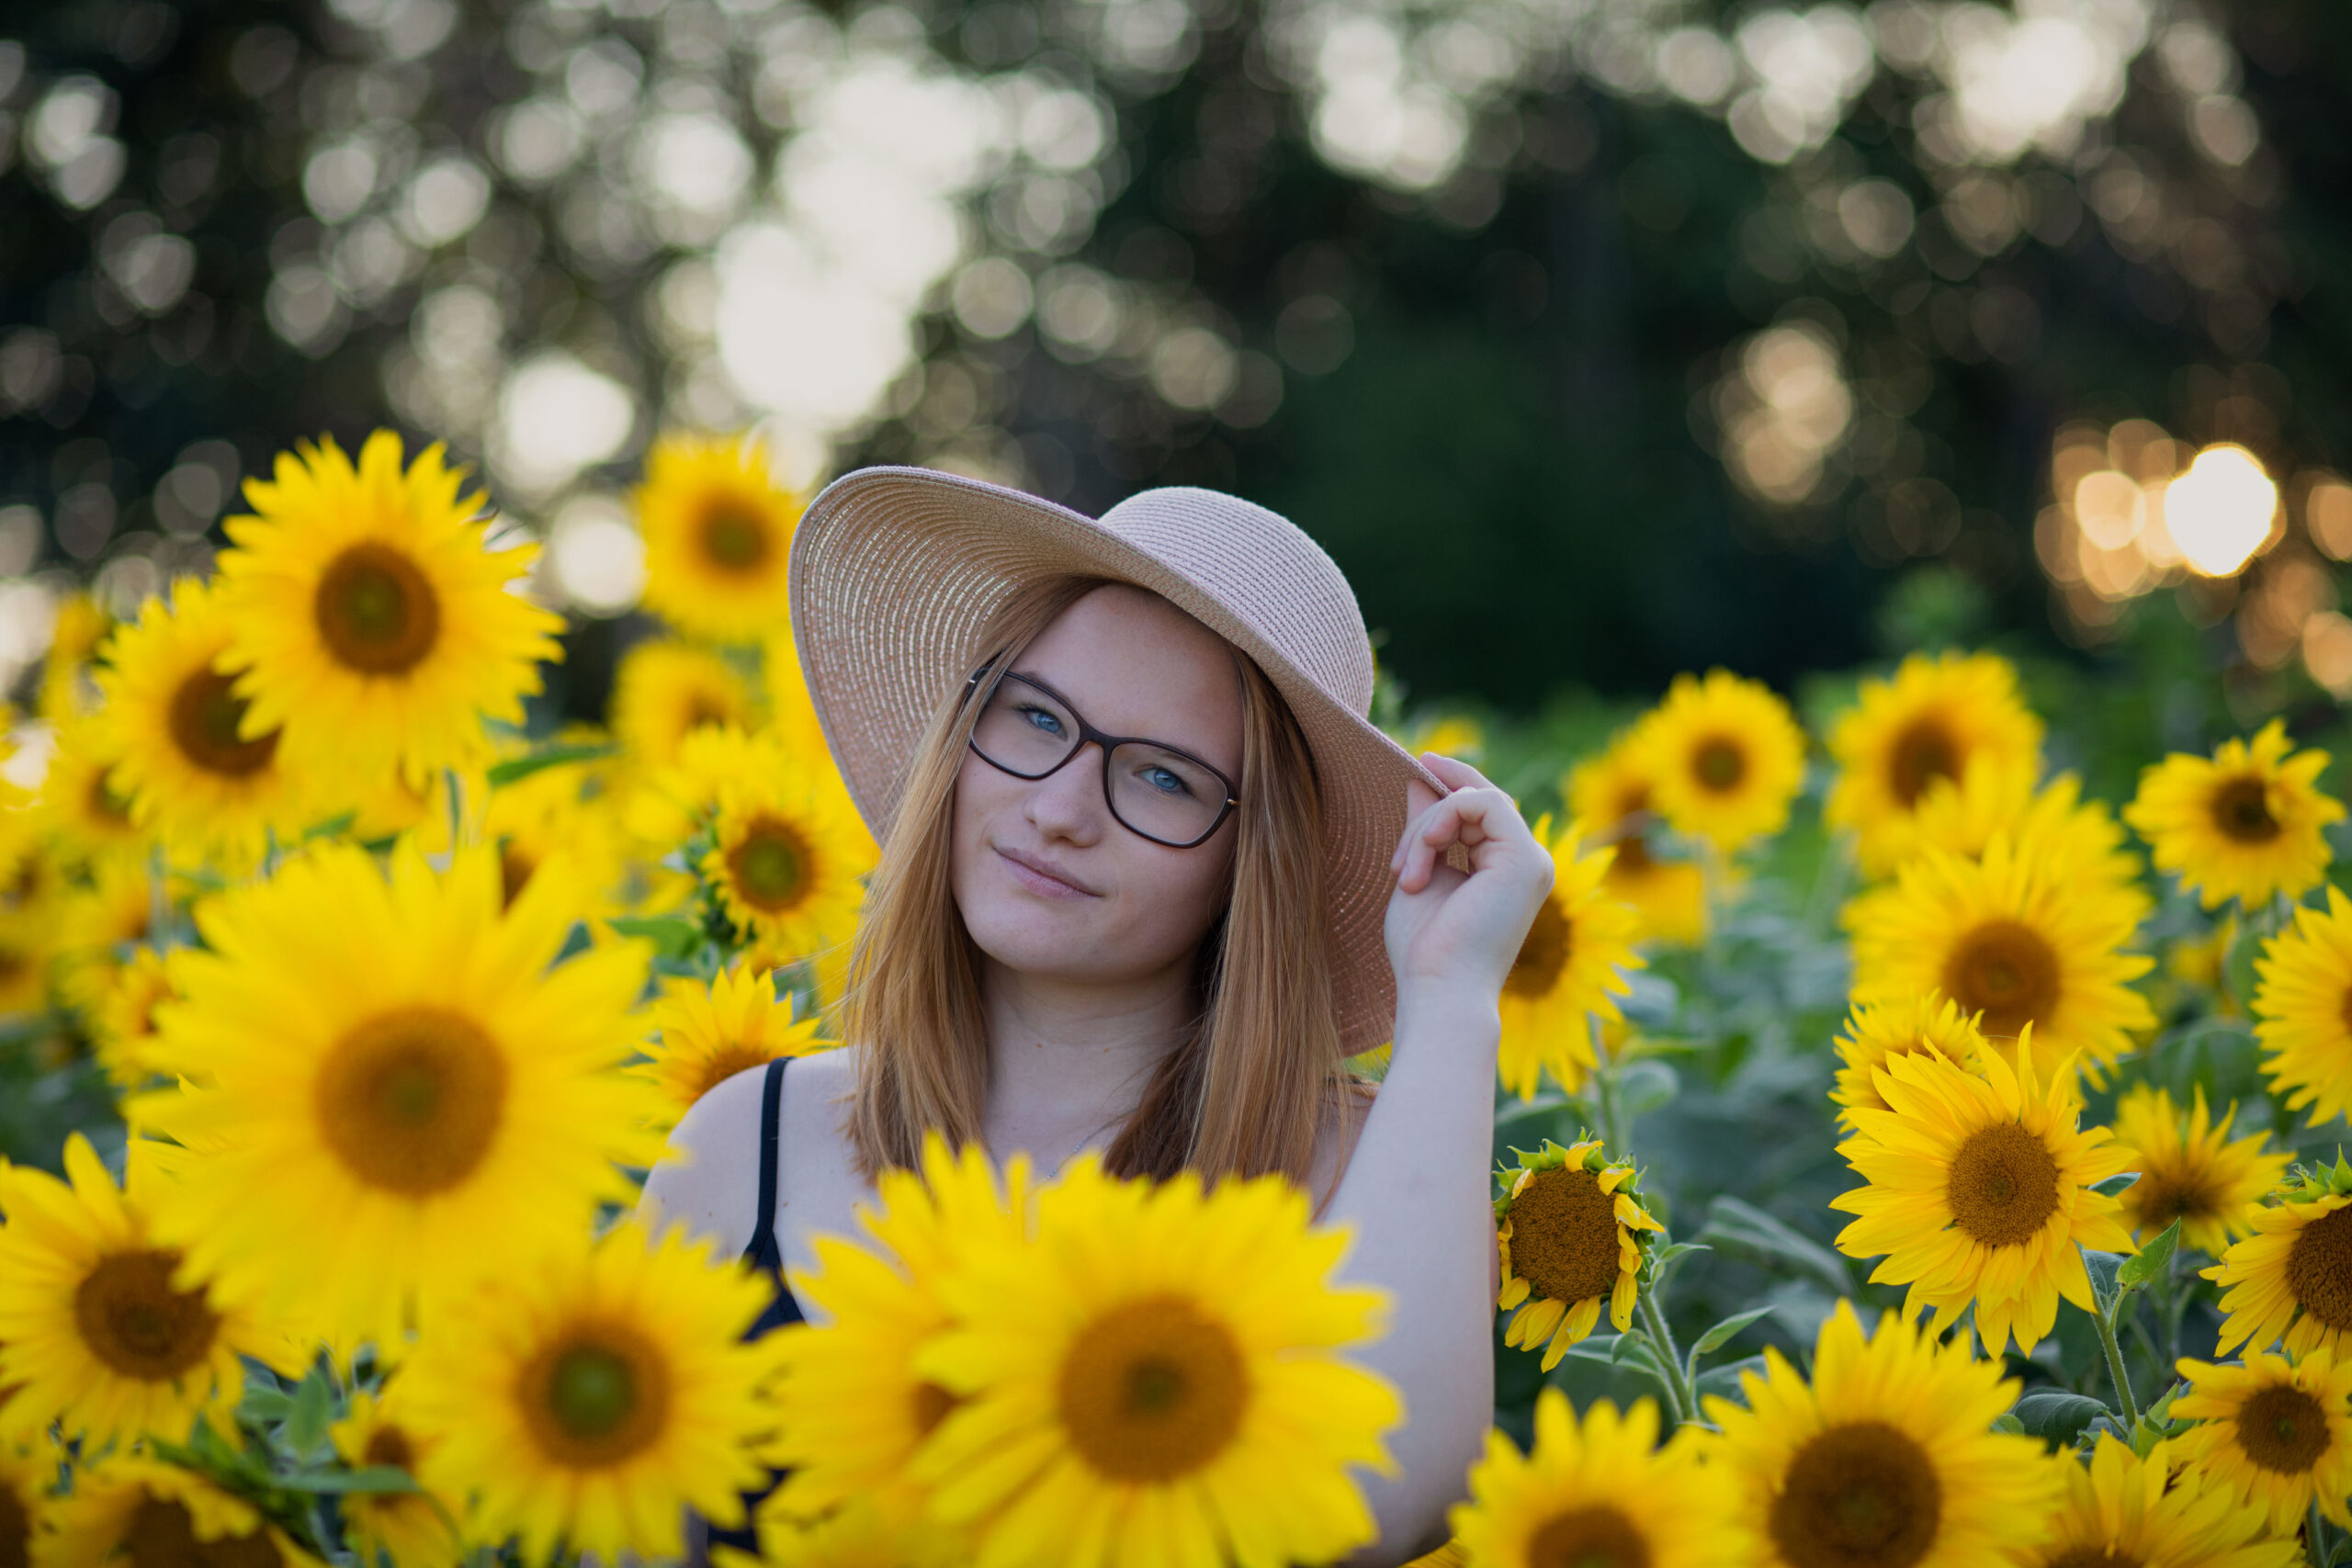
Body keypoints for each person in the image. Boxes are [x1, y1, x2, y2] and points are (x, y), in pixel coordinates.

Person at [639, 468, 1552, 1563]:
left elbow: (1384, 1503)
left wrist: (1452, 997)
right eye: (1036, 718)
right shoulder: (746, 1148)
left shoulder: (1354, 1177)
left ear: (1249, 864)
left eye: (1162, 779)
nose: (1061, 810)